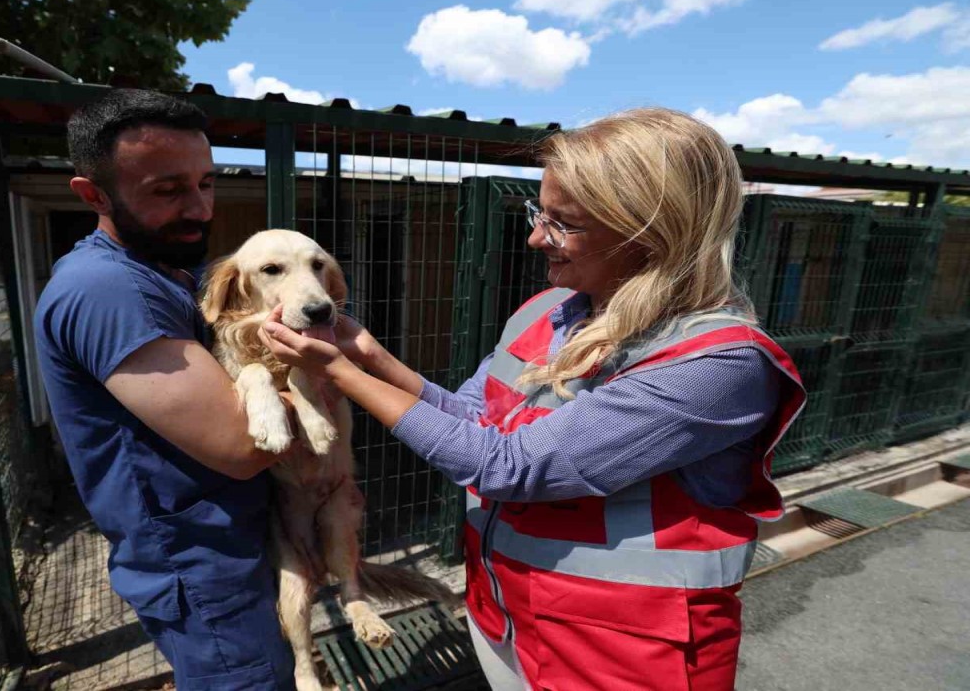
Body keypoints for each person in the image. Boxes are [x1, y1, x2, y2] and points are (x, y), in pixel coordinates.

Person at [259, 108, 806, 691]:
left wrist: (339, 372)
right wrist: (370, 355)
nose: (536, 237)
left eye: (563, 224)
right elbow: (474, 420)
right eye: (538, 213)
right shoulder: (546, 312)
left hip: (625, 657)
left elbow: (508, 466)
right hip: (509, 617)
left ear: (647, 231)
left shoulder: (715, 365)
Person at [33, 89, 297, 690]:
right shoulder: (108, 289)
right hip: (201, 568)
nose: (200, 208)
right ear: (94, 195)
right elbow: (244, 444)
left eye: (206, 183)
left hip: (231, 548)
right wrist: (327, 381)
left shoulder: (166, 267)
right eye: (168, 190)